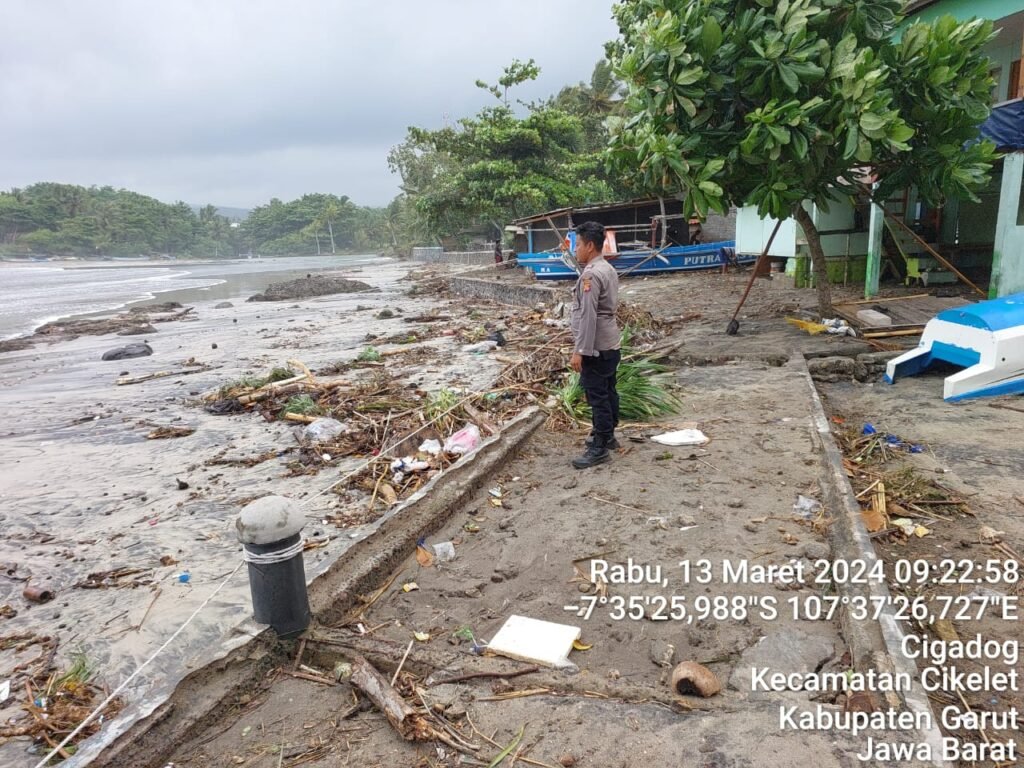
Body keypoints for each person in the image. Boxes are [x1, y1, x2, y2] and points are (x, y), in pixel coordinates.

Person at [569, 221, 620, 469]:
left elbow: (588, 316)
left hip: (596, 346)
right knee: (609, 390)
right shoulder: (608, 268)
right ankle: (609, 435)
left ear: (590, 246)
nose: (575, 249)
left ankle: (599, 446)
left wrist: (580, 351)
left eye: (577, 244)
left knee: (597, 395)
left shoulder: (590, 275)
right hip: (611, 342)